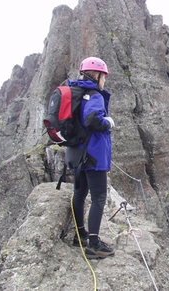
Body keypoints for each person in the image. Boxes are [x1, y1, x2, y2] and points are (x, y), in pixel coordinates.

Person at [65, 57, 115, 259]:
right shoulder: (94, 95)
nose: (104, 81)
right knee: (98, 197)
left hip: (77, 153)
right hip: (93, 154)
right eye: (104, 77)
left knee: (79, 193)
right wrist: (108, 123)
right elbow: (93, 119)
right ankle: (93, 243)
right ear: (97, 76)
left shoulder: (77, 93)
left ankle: (80, 234)